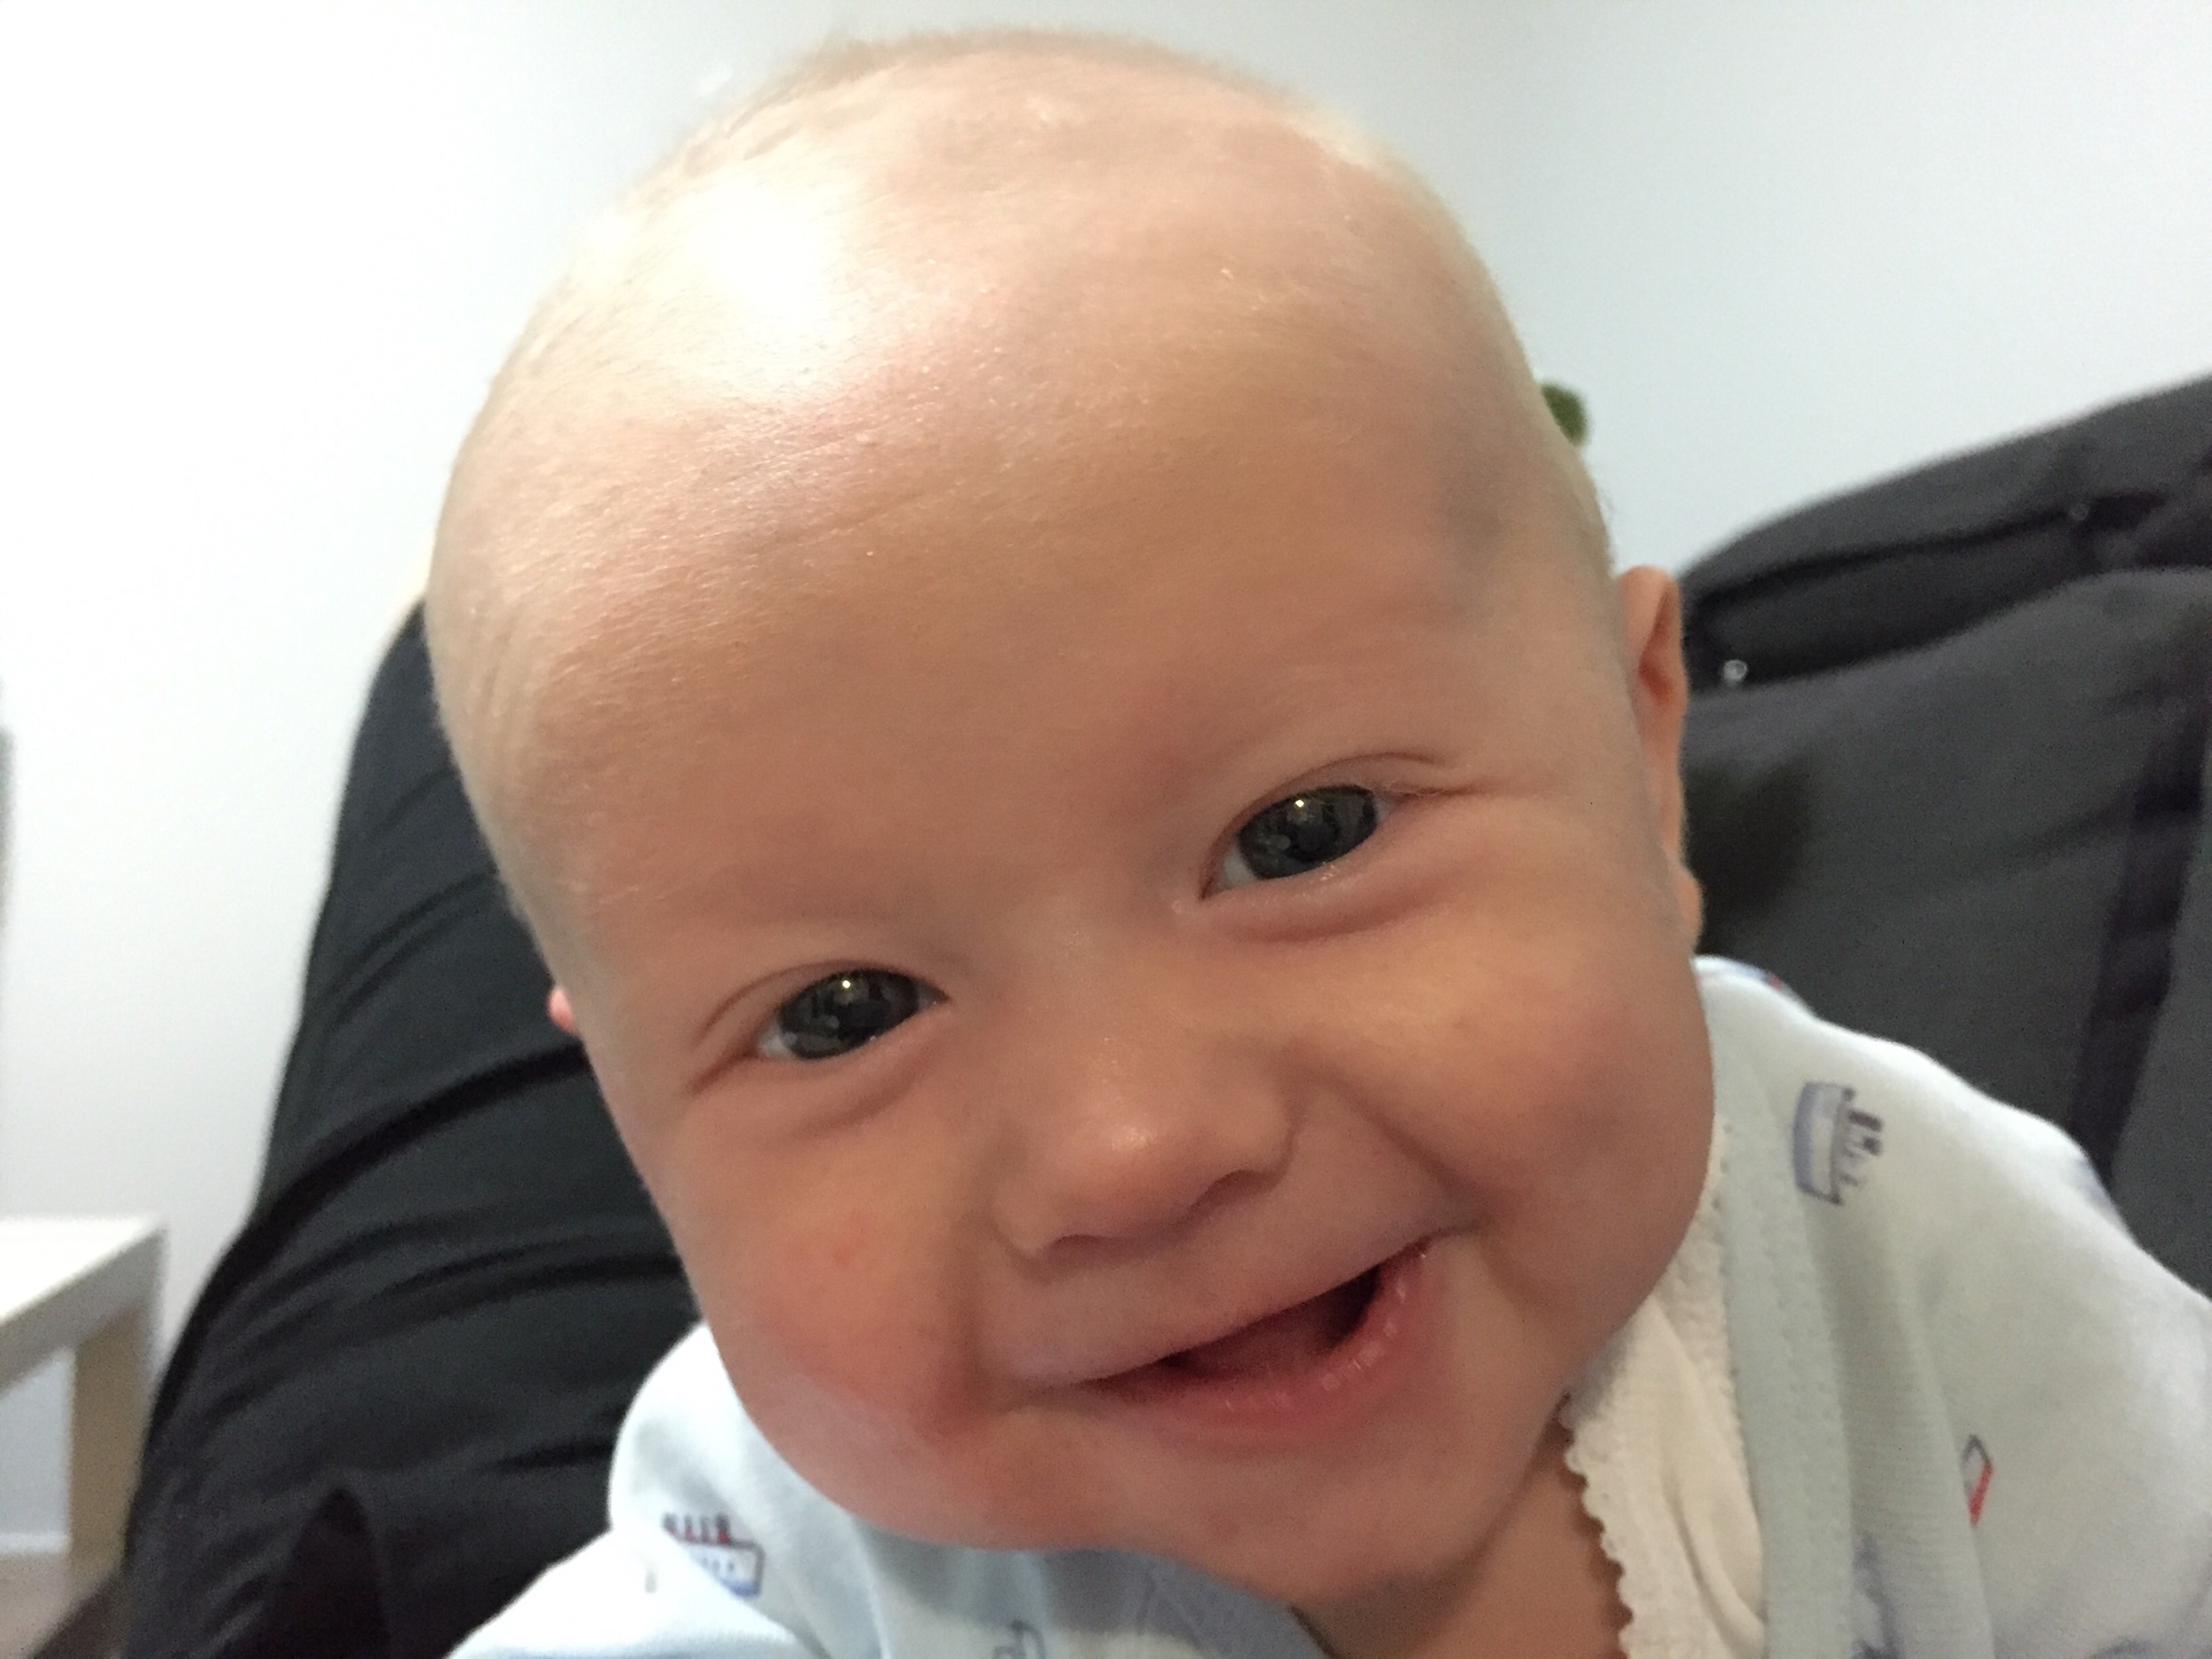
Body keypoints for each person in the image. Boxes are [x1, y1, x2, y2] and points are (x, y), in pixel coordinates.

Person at [426, 32, 2212, 1659]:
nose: (1133, 1149)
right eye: (842, 1013)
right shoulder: (774, 1563)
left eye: (1301, 838)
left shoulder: (1896, 1242)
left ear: (1643, 748)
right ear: (627, 1107)